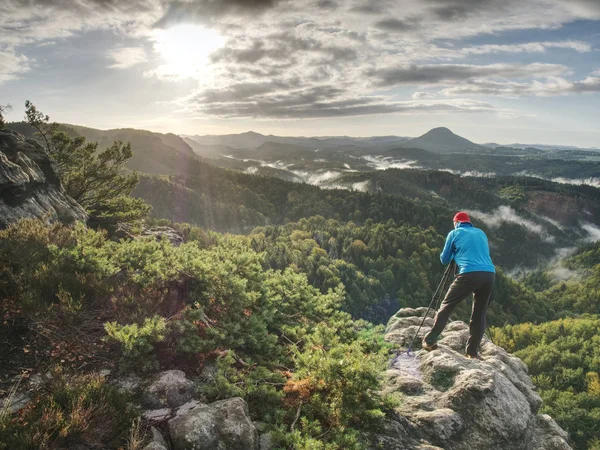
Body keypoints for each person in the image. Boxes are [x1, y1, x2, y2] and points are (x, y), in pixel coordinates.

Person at [422, 211, 495, 359]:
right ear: (468, 222)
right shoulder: (481, 233)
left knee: (447, 304)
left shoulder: (454, 233)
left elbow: (444, 259)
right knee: (479, 313)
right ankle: (472, 352)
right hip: (489, 274)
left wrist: (456, 254)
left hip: (469, 273)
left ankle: (430, 340)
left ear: (456, 223)